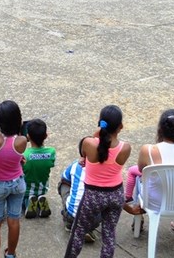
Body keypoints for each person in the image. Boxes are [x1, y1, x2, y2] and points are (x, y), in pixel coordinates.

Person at [64, 105, 131, 258]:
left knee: (78, 231)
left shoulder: (89, 143)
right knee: (109, 234)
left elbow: (84, 153)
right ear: (120, 126)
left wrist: (97, 134)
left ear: (100, 123)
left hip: (93, 195)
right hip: (115, 194)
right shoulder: (125, 148)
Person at [122, 109, 174, 215]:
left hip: (155, 203)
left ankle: (138, 216)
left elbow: (141, 170)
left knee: (139, 178)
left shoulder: (148, 150)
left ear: (160, 128)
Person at [0, 100, 26, 258]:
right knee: (14, 220)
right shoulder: (21, 142)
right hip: (17, 183)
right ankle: (11, 254)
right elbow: (16, 155)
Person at [59, 140, 97, 244]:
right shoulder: (104, 170)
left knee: (63, 184)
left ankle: (70, 223)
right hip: (93, 219)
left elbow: (64, 178)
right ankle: (87, 229)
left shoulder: (76, 165)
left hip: (71, 215)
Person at [22, 118, 56, 219]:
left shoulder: (25, 155)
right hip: (42, 187)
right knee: (38, 192)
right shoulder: (51, 152)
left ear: (28, 136)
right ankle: (41, 199)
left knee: (21, 199)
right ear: (46, 136)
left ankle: (28, 202)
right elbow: (51, 164)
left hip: (27, 190)